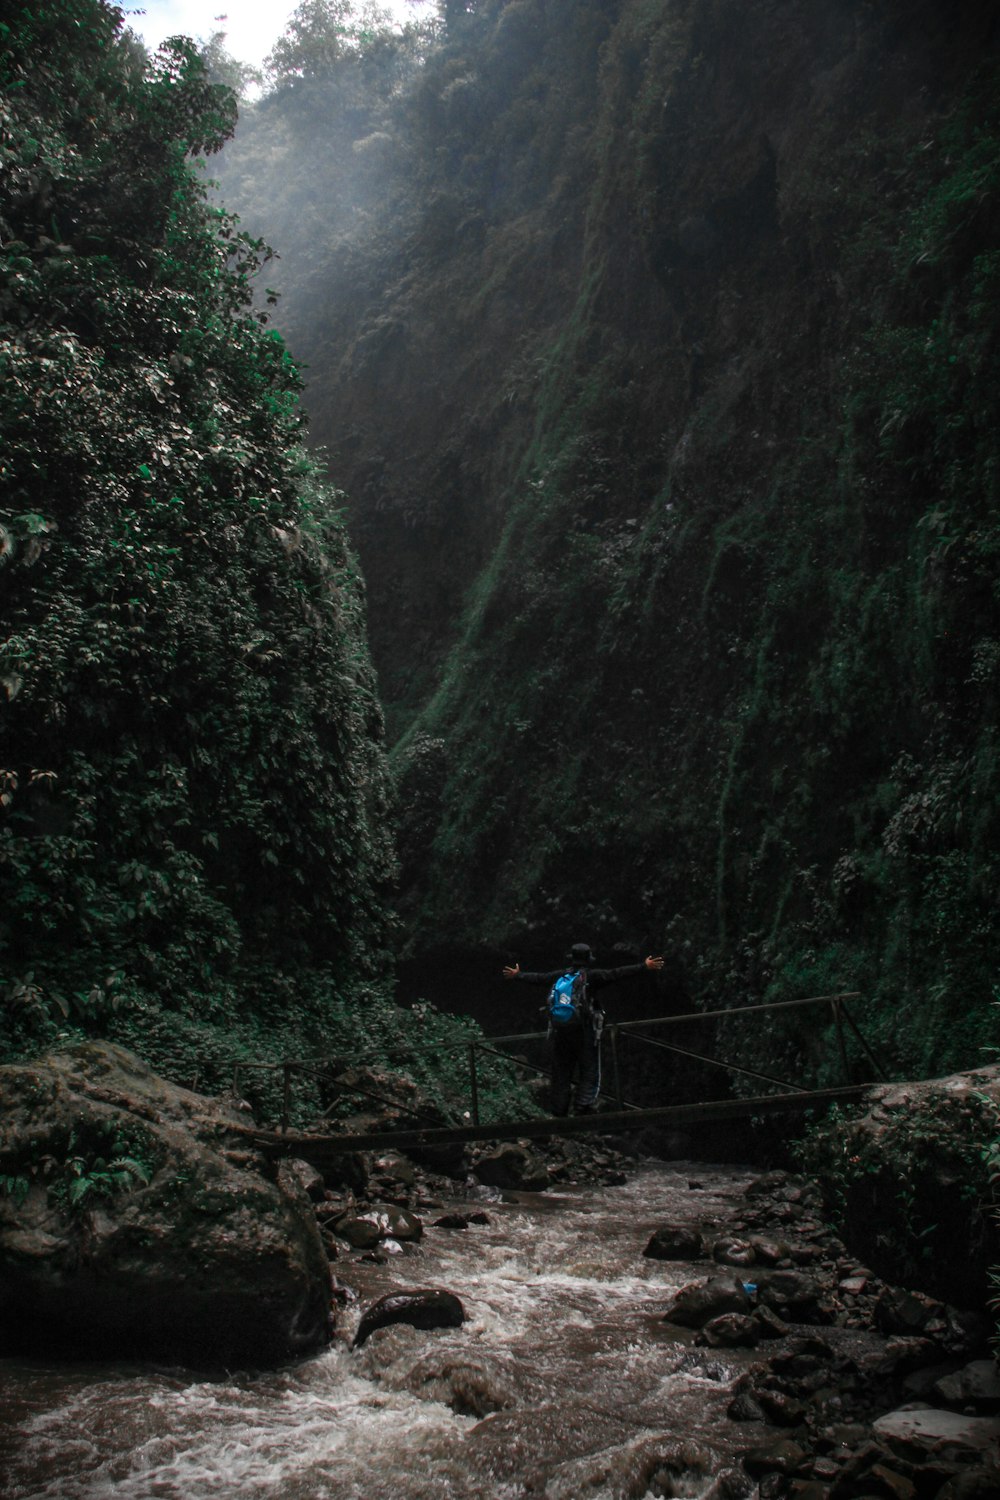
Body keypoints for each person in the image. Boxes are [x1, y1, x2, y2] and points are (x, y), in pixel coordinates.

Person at [503, 943, 664, 1117]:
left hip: (561, 1032)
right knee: (589, 1070)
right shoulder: (592, 977)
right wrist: (643, 966)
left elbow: (539, 978)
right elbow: (617, 973)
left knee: (561, 1072)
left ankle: (558, 1112)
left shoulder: (561, 976)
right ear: (588, 959)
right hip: (584, 1031)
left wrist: (518, 975)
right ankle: (582, 1107)